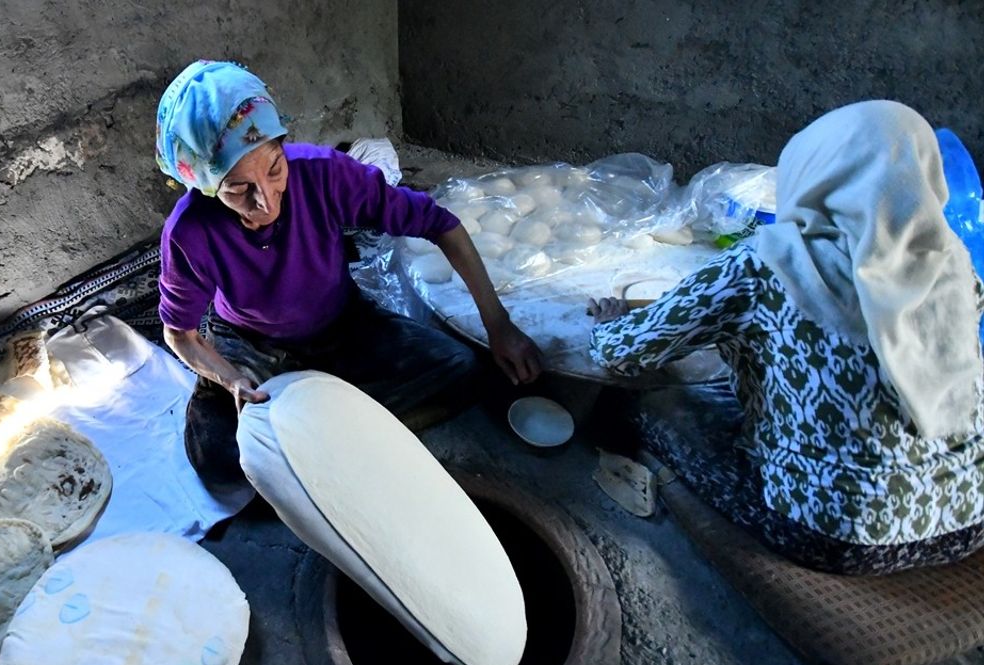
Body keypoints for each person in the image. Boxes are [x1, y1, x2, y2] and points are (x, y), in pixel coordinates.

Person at [587, 100, 984, 575]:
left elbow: (624, 352)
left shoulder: (770, 263)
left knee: (654, 407)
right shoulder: (952, 260)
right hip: (971, 519)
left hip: (841, 534)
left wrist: (610, 323)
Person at [154, 60, 542, 491]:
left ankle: (330, 441)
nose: (265, 201)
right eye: (237, 188)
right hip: (249, 340)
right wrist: (231, 379)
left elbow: (441, 224)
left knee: (462, 369)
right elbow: (180, 334)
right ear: (207, 186)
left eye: (274, 168)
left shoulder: (325, 175)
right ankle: (330, 431)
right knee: (220, 462)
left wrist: (498, 324)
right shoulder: (190, 231)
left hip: (341, 323)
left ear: (284, 146)